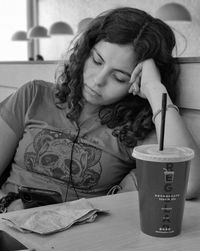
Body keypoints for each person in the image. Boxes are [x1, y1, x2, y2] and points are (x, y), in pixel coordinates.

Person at [0, 7, 200, 212]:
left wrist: (155, 90)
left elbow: (188, 184)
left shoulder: (137, 128)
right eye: (97, 61)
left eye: (119, 77)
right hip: (9, 220)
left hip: (77, 235)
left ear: (136, 81)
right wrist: (7, 205)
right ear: (85, 52)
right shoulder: (33, 95)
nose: (98, 80)